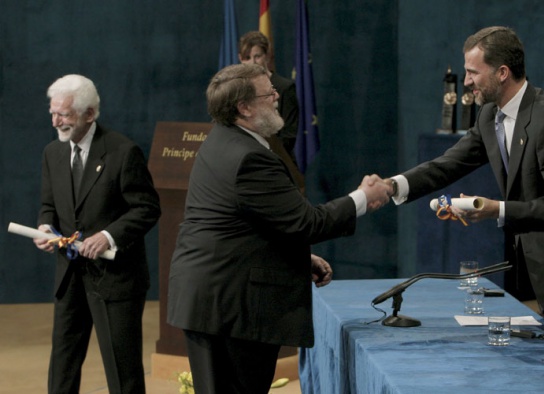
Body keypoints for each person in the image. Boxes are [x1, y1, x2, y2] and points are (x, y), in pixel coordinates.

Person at [373, 26, 544, 355]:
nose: (466, 81)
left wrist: (496, 209)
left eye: (473, 72)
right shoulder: (490, 115)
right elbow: (449, 163)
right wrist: (393, 186)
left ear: (502, 73)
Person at [166, 63, 390, 393]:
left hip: (213, 301)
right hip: (231, 309)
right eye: (268, 93)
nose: (277, 98)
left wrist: (295, 258)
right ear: (243, 107)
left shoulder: (223, 138)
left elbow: (245, 224)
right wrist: (362, 197)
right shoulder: (249, 157)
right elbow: (307, 222)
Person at [33, 74, 161, 393]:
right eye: (52, 113)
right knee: (62, 370)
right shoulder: (53, 153)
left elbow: (147, 208)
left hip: (115, 280)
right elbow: (49, 204)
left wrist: (109, 235)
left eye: (63, 114)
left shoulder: (123, 152)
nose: (55, 121)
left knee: (122, 372)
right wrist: (45, 226)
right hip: (70, 277)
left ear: (89, 114)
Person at [238, 30, 299, 164]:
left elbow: (289, 135)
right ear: (240, 59)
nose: (252, 62)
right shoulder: (239, 91)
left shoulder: (285, 88)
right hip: (247, 160)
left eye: (257, 56)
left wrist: (262, 152)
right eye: (247, 58)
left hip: (280, 162)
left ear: (267, 56)